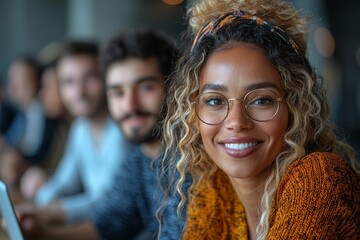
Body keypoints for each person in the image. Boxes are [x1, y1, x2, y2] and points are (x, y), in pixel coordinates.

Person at [161, 0, 360, 239]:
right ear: (193, 112)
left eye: (261, 100)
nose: (236, 121)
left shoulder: (318, 179)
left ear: (295, 105)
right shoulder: (215, 190)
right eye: (215, 101)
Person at [14, 28, 184, 240]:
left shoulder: (188, 161)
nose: (130, 105)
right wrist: (43, 233)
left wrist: (47, 213)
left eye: (146, 87)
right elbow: (108, 224)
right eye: (118, 92)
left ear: (176, 88)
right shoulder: (139, 155)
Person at [15, 41, 125, 229]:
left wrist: (49, 211)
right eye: (69, 82)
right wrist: (38, 203)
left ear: (107, 78)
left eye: (89, 78)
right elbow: (65, 180)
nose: (79, 92)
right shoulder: (81, 127)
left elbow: (105, 200)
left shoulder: (124, 128)